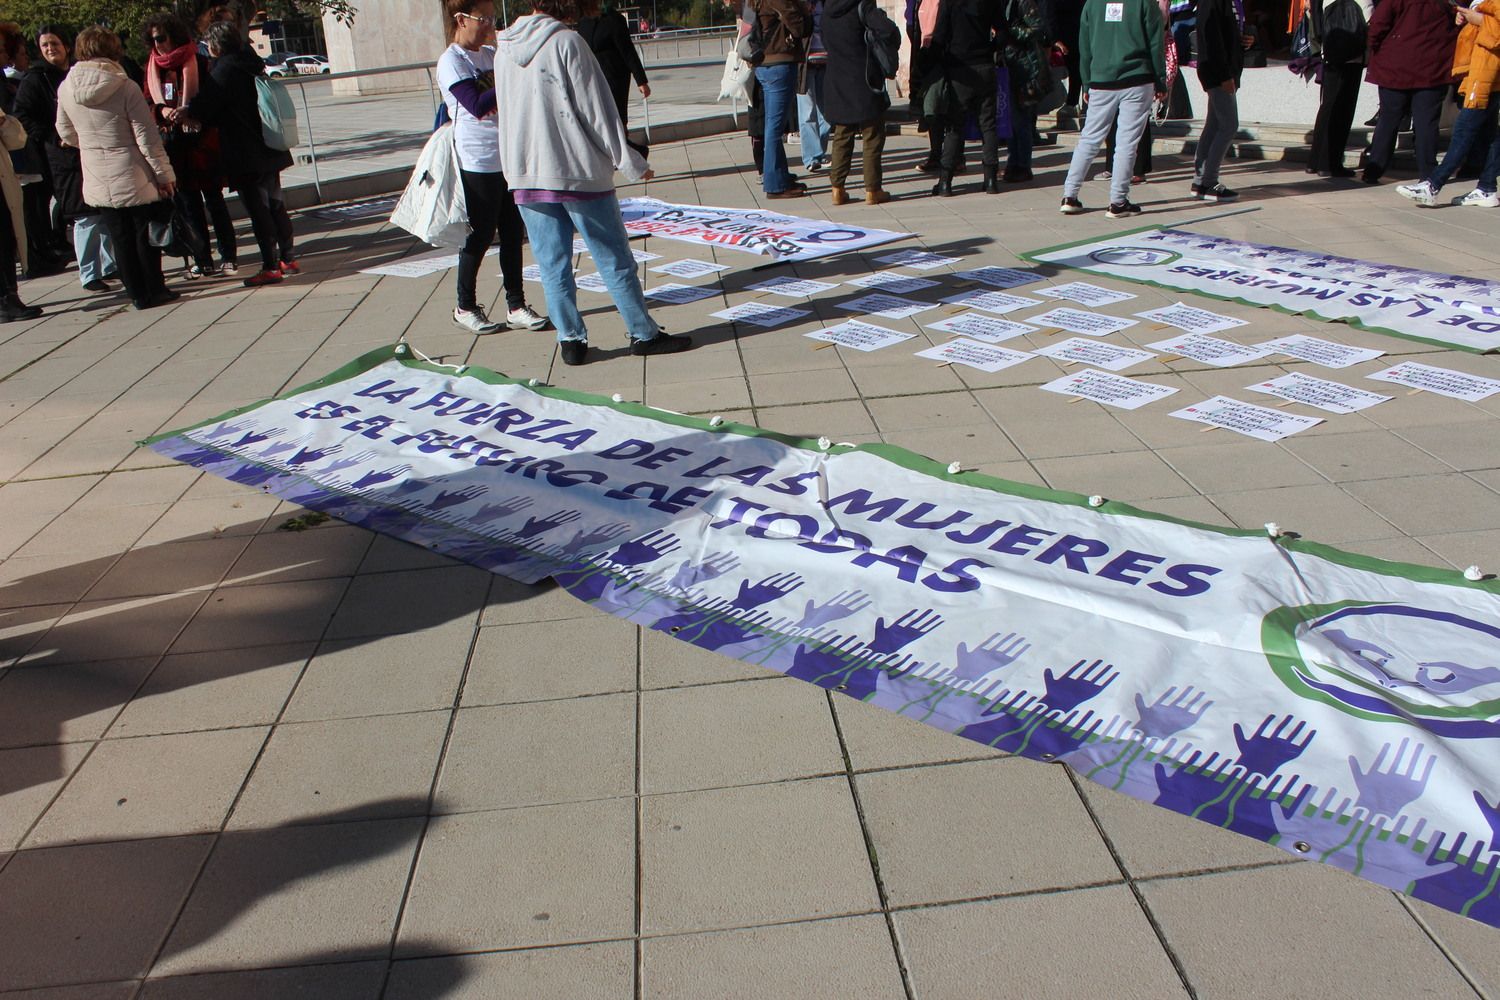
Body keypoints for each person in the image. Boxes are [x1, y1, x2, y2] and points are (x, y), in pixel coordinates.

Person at [494, 0, 691, 365]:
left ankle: (570, 339)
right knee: (613, 257)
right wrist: (629, 159)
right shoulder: (567, 42)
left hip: (527, 172)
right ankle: (642, 333)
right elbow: (597, 108)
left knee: (552, 263)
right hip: (575, 169)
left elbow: (507, 112)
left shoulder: (502, 49)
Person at [436, 0, 548, 335]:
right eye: (482, 18)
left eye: (491, 18)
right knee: (480, 235)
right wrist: (510, 77)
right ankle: (465, 305)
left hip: (507, 157)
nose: (488, 25)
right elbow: (476, 105)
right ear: (461, 19)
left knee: (514, 233)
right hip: (477, 160)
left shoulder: (488, 55)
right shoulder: (451, 61)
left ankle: (516, 304)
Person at [55, 27, 177, 310]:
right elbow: (146, 136)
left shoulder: (66, 87)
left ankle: (136, 293)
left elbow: (64, 131)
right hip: (132, 168)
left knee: (119, 238)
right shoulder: (125, 86)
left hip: (95, 170)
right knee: (143, 236)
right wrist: (164, 174)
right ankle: (154, 289)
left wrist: (88, 144)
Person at [176, 21, 294, 287]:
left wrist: (188, 112)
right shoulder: (250, 61)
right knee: (275, 203)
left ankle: (270, 265)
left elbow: (206, 107)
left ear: (216, 45)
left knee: (259, 209)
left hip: (244, 151)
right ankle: (288, 256)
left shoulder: (224, 69)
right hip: (268, 144)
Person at [13, 25, 117, 293]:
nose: (50, 49)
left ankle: (110, 264)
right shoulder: (35, 80)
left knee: (104, 210)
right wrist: (52, 136)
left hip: (91, 148)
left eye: (54, 43)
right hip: (63, 156)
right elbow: (22, 115)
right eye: (45, 45)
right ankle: (89, 272)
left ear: (67, 46)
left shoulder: (77, 72)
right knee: (85, 214)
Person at [1058, 0, 1167, 217]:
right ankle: (1118, 201)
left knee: (1089, 138)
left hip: (1101, 78)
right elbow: (1156, 42)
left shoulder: (1092, 4)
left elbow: (1085, 45)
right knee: (1126, 142)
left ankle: (1069, 195)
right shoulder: (1145, 3)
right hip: (1137, 78)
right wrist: (1160, 79)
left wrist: (1086, 81)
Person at [140, 13, 223, 281]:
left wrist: (189, 110)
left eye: (162, 38)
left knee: (214, 199)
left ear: (173, 36)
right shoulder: (153, 68)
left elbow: (212, 100)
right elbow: (146, 104)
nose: (158, 45)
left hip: (200, 141)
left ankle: (228, 255)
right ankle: (202, 258)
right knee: (187, 204)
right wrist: (162, 111)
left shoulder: (197, 60)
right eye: (153, 40)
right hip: (173, 144)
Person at [1398, 0, 1500, 206]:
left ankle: (1433, 185)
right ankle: (1487, 188)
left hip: (1487, 71)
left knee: (1464, 129)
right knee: (1490, 135)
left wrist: (1479, 19)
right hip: (1486, 69)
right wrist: (1468, 18)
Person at [1361, 0, 1458, 184]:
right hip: (1432, 66)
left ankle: (1374, 168)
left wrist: (1376, 48)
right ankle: (1428, 172)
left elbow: (1378, 25)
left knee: (1389, 119)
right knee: (1426, 122)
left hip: (1396, 64)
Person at [823, 0, 897, 203]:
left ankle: (837, 188)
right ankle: (872, 189)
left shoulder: (828, 11)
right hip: (864, 78)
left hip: (837, 79)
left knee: (842, 135)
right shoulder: (863, 7)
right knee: (872, 135)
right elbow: (888, 30)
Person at [930, 0, 1005, 196]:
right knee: (988, 124)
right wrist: (992, 48)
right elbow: (1004, 31)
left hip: (959, 68)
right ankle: (990, 180)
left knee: (954, 126)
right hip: (985, 66)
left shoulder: (949, 3)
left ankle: (945, 181)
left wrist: (931, 64)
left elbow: (939, 37)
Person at [750, 0, 812, 198]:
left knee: (772, 124)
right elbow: (800, 26)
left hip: (763, 64)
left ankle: (779, 174)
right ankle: (775, 184)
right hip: (778, 62)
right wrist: (803, 9)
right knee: (775, 128)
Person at [1190, 0, 1249, 200]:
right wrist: (1224, 76)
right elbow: (1211, 39)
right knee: (1229, 125)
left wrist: (1245, 41)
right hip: (1218, 73)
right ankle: (1208, 181)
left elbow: (1227, 33)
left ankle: (1200, 181)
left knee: (1214, 124)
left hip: (1225, 70)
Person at [576, 0, 651, 157]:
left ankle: (629, 157)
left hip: (616, 78)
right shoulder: (583, 21)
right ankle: (637, 154)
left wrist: (641, 81)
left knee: (617, 121)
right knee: (601, 121)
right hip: (593, 79)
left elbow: (628, 51)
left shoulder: (614, 20)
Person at [1306, 0, 1372, 177]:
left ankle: (1314, 161)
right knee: (1343, 110)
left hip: (1330, 55)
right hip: (1352, 57)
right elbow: (1370, 21)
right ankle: (1330, 163)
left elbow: (1315, 19)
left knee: (1327, 107)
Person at [798, 0, 833, 172]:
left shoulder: (827, 4)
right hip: (805, 62)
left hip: (826, 60)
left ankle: (820, 153)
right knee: (807, 111)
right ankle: (812, 157)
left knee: (826, 111)